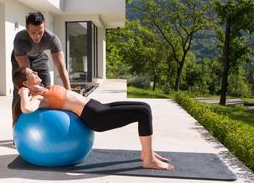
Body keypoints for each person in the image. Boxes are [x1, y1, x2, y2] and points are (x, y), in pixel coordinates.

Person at [12, 67, 174, 171]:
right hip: (95, 116)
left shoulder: (44, 89)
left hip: (97, 107)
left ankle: (147, 153)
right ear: (26, 82)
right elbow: (27, 109)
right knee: (143, 113)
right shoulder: (39, 98)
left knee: (145, 107)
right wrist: (24, 93)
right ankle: (148, 160)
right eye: (32, 73)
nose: (36, 72)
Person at [11, 11, 70, 125]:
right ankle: (17, 126)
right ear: (27, 30)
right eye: (33, 32)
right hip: (20, 60)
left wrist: (69, 92)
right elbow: (27, 73)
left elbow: (61, 68)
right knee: (21, 91)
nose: (37, 36)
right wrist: (29, 91)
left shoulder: (52, 39)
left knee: (46, 91)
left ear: (44, 27)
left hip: (40, 58)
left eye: (40, 32)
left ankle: (43, 125)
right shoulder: (20, 39)